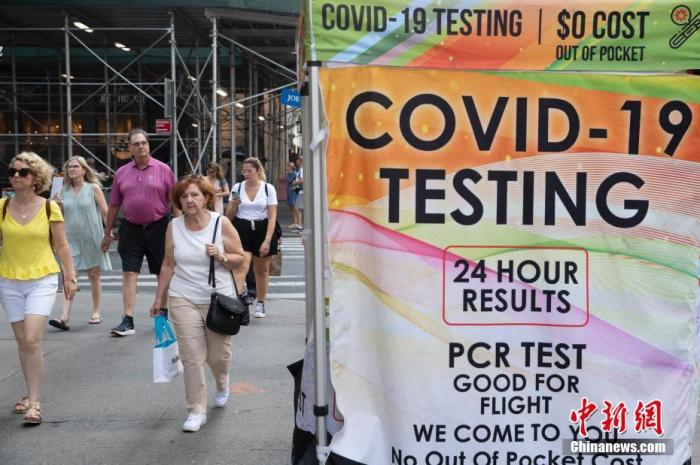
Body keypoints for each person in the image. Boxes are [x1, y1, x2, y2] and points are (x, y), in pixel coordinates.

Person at [149, 175, 244, 432]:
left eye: (194, 195)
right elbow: (168, 263)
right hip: (183, 297)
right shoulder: (174, 226)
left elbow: (240, 258)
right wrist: (159, 298)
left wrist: (222, 255)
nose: (189, 200)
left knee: (218, 357)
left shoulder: (220, 223)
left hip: (219, 300)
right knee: (192, 356)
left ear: (206, 198)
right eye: (184, 196)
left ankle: (222, 381)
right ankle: (196, 409)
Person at [0, 152, 78, 425]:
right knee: (23, 342)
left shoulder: (49, 208)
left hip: (42, 279)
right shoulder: (2, 207)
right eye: (12, 171)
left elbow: (62, 245)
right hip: (9, 280)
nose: (16, 176)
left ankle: (35, 403)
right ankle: (29, 392)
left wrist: (70, 276)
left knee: (32, 339)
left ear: (36, 177)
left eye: (22, 172)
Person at [100, 128, 177, 336]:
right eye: (136, 144)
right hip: (131, 228)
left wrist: (180, 229)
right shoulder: (122, 173)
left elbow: (175, 202)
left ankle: (162, 312)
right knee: (129, 272)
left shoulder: (163, 170)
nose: (140, 146)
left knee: (162, 272)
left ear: (148, 145)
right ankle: (128, 319)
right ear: (130, 148)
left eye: (143, 143)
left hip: (159, 227)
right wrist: (107, 233)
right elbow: (114, 205)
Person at [49, 156, 112, 330]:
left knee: (94, 274)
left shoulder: (93, 188)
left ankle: (96, 311)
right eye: (69, 167)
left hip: (92, 236)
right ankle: (64, 317)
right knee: (69, 276)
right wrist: (56, 204)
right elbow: (56, 215)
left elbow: (105, 212)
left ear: (84, 170)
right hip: (70, 238)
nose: (72, 169)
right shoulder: (61, 190)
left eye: (76, 166)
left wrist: (108, 234)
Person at [225, 157, 279, 318]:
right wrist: (233, 205)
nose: (246, 174)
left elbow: (272, 217)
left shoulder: (268, 188)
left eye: (249, 171)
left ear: (258, 171)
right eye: (244, 171)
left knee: (262, 269)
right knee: (242, 264)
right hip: (242, 227)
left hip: (262, 228)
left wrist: (267, 240)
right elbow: (229, 216)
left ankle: (260, 303)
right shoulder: (237, 187)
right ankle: (235, 302)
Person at [285, 161, 301, 229]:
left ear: (291, 167)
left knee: (295, 207)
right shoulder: (288, 174)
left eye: (288, 166)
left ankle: (298, 223)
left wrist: (294, 183)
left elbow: (295, 182)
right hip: (289, 191)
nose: (286, 167)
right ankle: (294, 222)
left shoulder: (295, 174)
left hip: (294, 192)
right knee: (291, 207)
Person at [292, 157, 304, 232]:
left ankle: (300, 226)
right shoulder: (301, 169)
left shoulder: (302, 169)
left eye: (298, 160)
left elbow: (302, 180)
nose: (296, 161)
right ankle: (300, 225)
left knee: (297, 208)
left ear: (300, 161)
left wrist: (295, 183)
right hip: (301, 191)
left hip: (302, 191)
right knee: (298, 208)